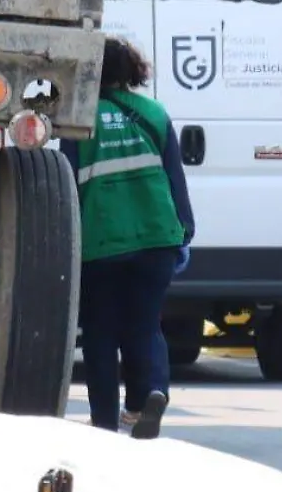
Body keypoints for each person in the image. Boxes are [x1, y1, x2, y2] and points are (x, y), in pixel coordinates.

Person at [61, 37, 196, 439]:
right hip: (156, 239)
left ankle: (104, 421)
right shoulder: (154, 113)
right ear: (132, 70)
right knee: (145, 325)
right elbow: (175, 178)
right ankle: (150, 394)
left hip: (101, 242)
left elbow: (68, 184)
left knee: (102, 333)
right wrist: (184, 233)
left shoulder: (81, 120)